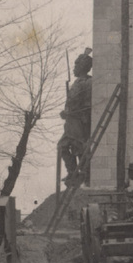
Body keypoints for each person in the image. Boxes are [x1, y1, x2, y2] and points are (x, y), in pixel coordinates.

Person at [58, 50, 92, 184]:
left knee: (79, 148)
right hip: (71, 122)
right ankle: (72, 172)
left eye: (76, 65)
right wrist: (66, 112)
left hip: (79, 121)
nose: (73, 68)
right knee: (62, 147)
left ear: (83, 66)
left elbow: (88, 105)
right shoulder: (77, 82)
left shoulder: (88, 82)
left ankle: (85, 175)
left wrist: (72, 112)